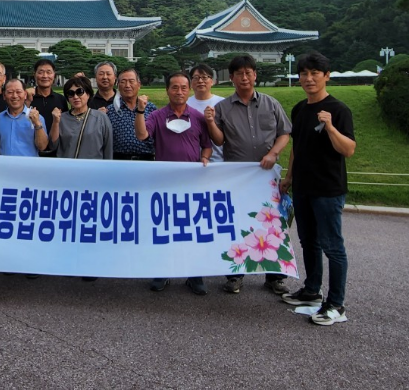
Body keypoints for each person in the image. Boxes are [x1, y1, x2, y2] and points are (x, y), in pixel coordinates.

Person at [280, 52, 356, 326]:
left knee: (332, 246)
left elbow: (348, 150)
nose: (309, 79)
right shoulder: (300, 109)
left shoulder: (338, 109)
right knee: (308, 241)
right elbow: (296, 149)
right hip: (302, 187)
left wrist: (331, 127)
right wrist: (288, 178)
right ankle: (312, 291)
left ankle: (336, 304)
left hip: (328, 189)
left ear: (327, 76)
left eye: (315, 73)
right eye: (304, 74)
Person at [211, 55, 292, 296]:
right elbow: (219, 140)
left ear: (255, 75)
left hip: (267, 175)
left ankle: (275, 277)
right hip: (237, 176)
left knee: (272, 225)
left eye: (248, 73)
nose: (244, 78)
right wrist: (210, 123)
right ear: (232, 77)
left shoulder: (271, 104)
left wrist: (274, 153)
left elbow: (284, 133)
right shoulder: (222, 108)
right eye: (239, 74)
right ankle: (235, 274)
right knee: (237, 224)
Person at [135, 71, 216, 295]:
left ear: (189, 90)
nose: (179, 92)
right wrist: (140, 110)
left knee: (191, 228)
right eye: (174, 87)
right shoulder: (158, 116)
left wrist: (205, 157)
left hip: (192, 183)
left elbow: (207, 144)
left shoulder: (198, 116)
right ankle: (162, 271)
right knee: (164, 227)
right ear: (167, 90)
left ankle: (194, 274)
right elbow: (142, 135)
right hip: (165, 182)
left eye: (183, 87)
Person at [50, 76, 113, 160]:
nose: (75, 97)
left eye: (79, 92)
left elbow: (108, 147)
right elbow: (53, 145)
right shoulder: (61, 118)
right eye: (71, 93)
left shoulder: (100, 117)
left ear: (88, 94)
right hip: (68, 168)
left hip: (94, 169)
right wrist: (55, 122)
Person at [106, 68, 156, 160]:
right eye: (123, 82)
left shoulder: (151, 108)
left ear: (139, 85)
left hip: (146, 160)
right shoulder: (111, 110)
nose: (127, 85)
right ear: (118, 85)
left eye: (131, 81)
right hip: (119, 160)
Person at [0, 78, 48, 157]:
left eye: (18, 92)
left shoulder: (37, 118)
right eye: (10, 92)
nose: (14, 96)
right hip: (4, 166)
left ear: (25, 94)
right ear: (4, 95)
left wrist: (37, 124)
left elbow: (42, 147)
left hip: (28, 167)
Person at [27, 59, 68, 156]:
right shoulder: (28, 97)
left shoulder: (61, 99)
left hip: (56, 152)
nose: (45, 76)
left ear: (54, 75)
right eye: (40, 72)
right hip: (32, 151)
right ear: (35, 74)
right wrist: (27, 102)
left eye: (48, 72)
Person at [187, 64, 224, 162]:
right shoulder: (185, 104)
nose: (200, 81)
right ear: (191, 82)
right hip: (191, 160)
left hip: (218, 159)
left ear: (212, 81)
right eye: (196, 78)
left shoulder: (222, 103)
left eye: (204, 77)